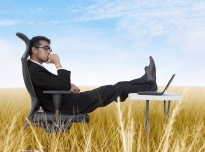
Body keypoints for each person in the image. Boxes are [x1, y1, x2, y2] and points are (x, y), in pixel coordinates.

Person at [28, 36, 157, 114]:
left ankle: (144, 81)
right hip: (67, 105)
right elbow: (61, 84)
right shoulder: (35, 69)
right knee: (110, 89)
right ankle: (149, 86)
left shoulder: (34, 67)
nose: (49, 52)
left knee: (114, 87)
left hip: (65, 102)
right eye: (46, 48)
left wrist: (68, 86)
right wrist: (57, 63)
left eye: (49, 49)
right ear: (34, 50)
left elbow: (53, 84)